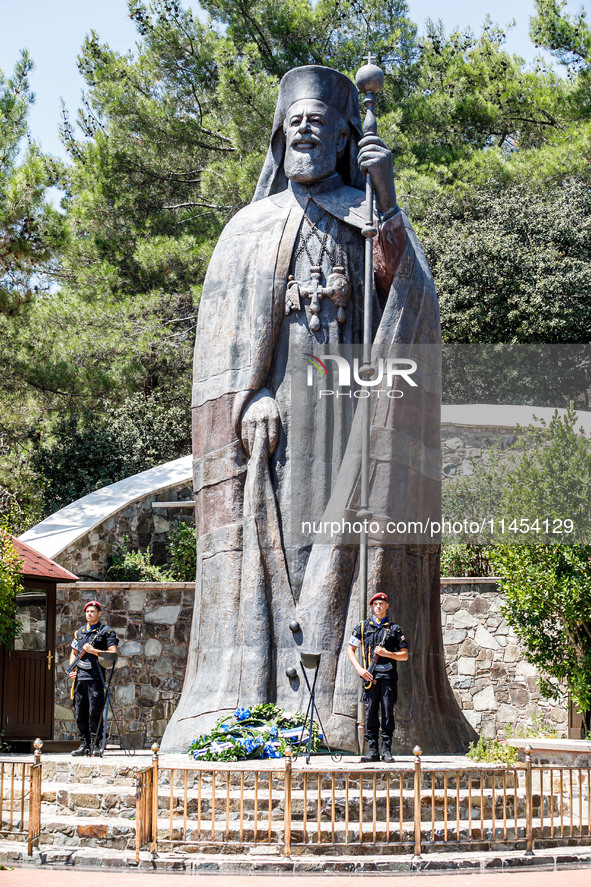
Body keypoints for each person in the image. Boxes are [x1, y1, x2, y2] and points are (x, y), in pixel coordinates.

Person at [162, 65, 474, 755]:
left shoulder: (368, 215)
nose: (305, 133)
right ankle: (257, 703)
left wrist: (385, 199)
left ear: (342, 138)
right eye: (294, 123)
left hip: (351, 416)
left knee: (346, 546)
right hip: (277, 429)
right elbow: (227, 343)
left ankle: (344, 716)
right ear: (280, 137)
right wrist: (251, 399)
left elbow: (411, 308)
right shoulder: (247, 228)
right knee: (278, 552)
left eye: (319, 124)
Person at [347, 592, 408, 762]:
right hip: (369, 677)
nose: (379, 607)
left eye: (382, 604)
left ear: (387, 606)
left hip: (388, 677)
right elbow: (350, 650)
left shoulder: (395, 629)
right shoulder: (362, 627)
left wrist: (387, 653)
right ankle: (372, 750)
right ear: (372, 607)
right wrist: (360, 669)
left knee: (388, 712)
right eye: (376, 604)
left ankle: (386, 750)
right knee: (371, 712)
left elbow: (404, 655)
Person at [68, 600, 118, 756]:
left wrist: (93, 650)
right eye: (87, 612)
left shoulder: (106, 631)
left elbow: (113, 653)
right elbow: (73, 653)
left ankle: (96, 744)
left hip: (96, 677)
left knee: (95, 711)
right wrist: (72, 670)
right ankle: (85, 744)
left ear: (99, 614)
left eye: (92, 611)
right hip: (80, 678)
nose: (89, 614)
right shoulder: (79, 632)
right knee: (80, 711)